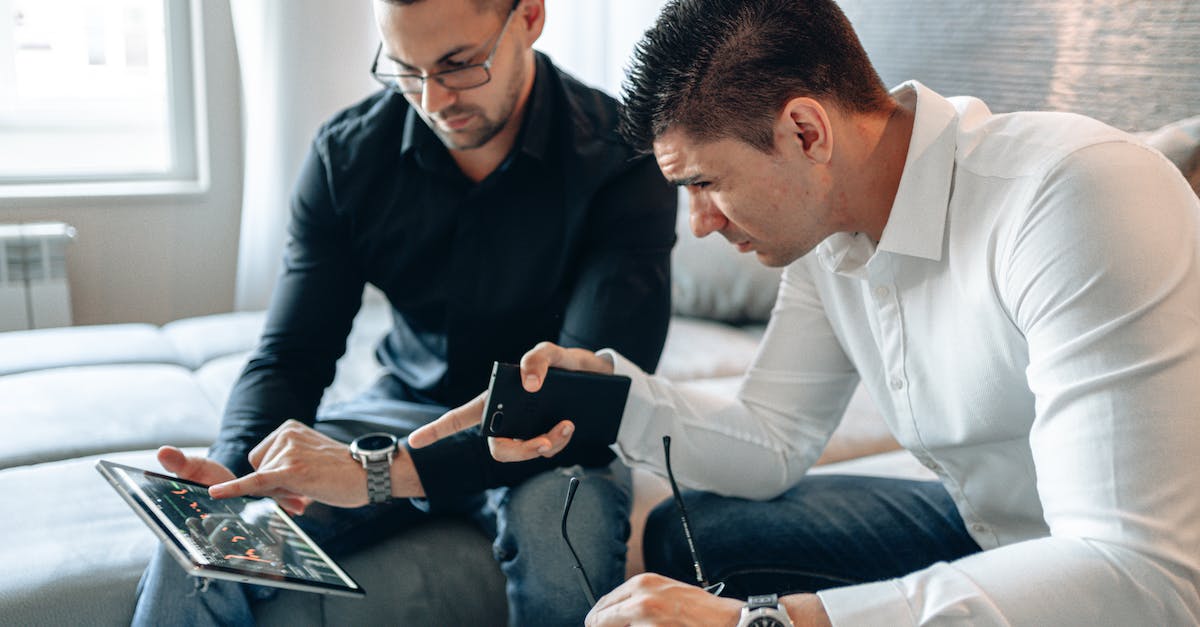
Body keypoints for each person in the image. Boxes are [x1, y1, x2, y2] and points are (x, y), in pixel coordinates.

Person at [409, 0, 1200, 624]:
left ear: (804, 129)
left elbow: (1139, 577)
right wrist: (609, 394)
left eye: (703, 183)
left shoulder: (1074, 197)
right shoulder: (830, 235)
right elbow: (774, 440)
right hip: (992, 527)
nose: (701, 225)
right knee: (690, 546)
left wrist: (777, 620)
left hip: (1127, 568)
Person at [132, 0, 676, 625]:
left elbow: (581, 397)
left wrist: (382, 475)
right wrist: (230, 470)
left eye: (460, 64)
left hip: (549, 440)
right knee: (198, 541)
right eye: (405, 69)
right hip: (399, 412)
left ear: (529, 16)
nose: (434, 98)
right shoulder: (349, 155)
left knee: (561, 545)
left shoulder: (626, 157)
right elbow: (292, 355)